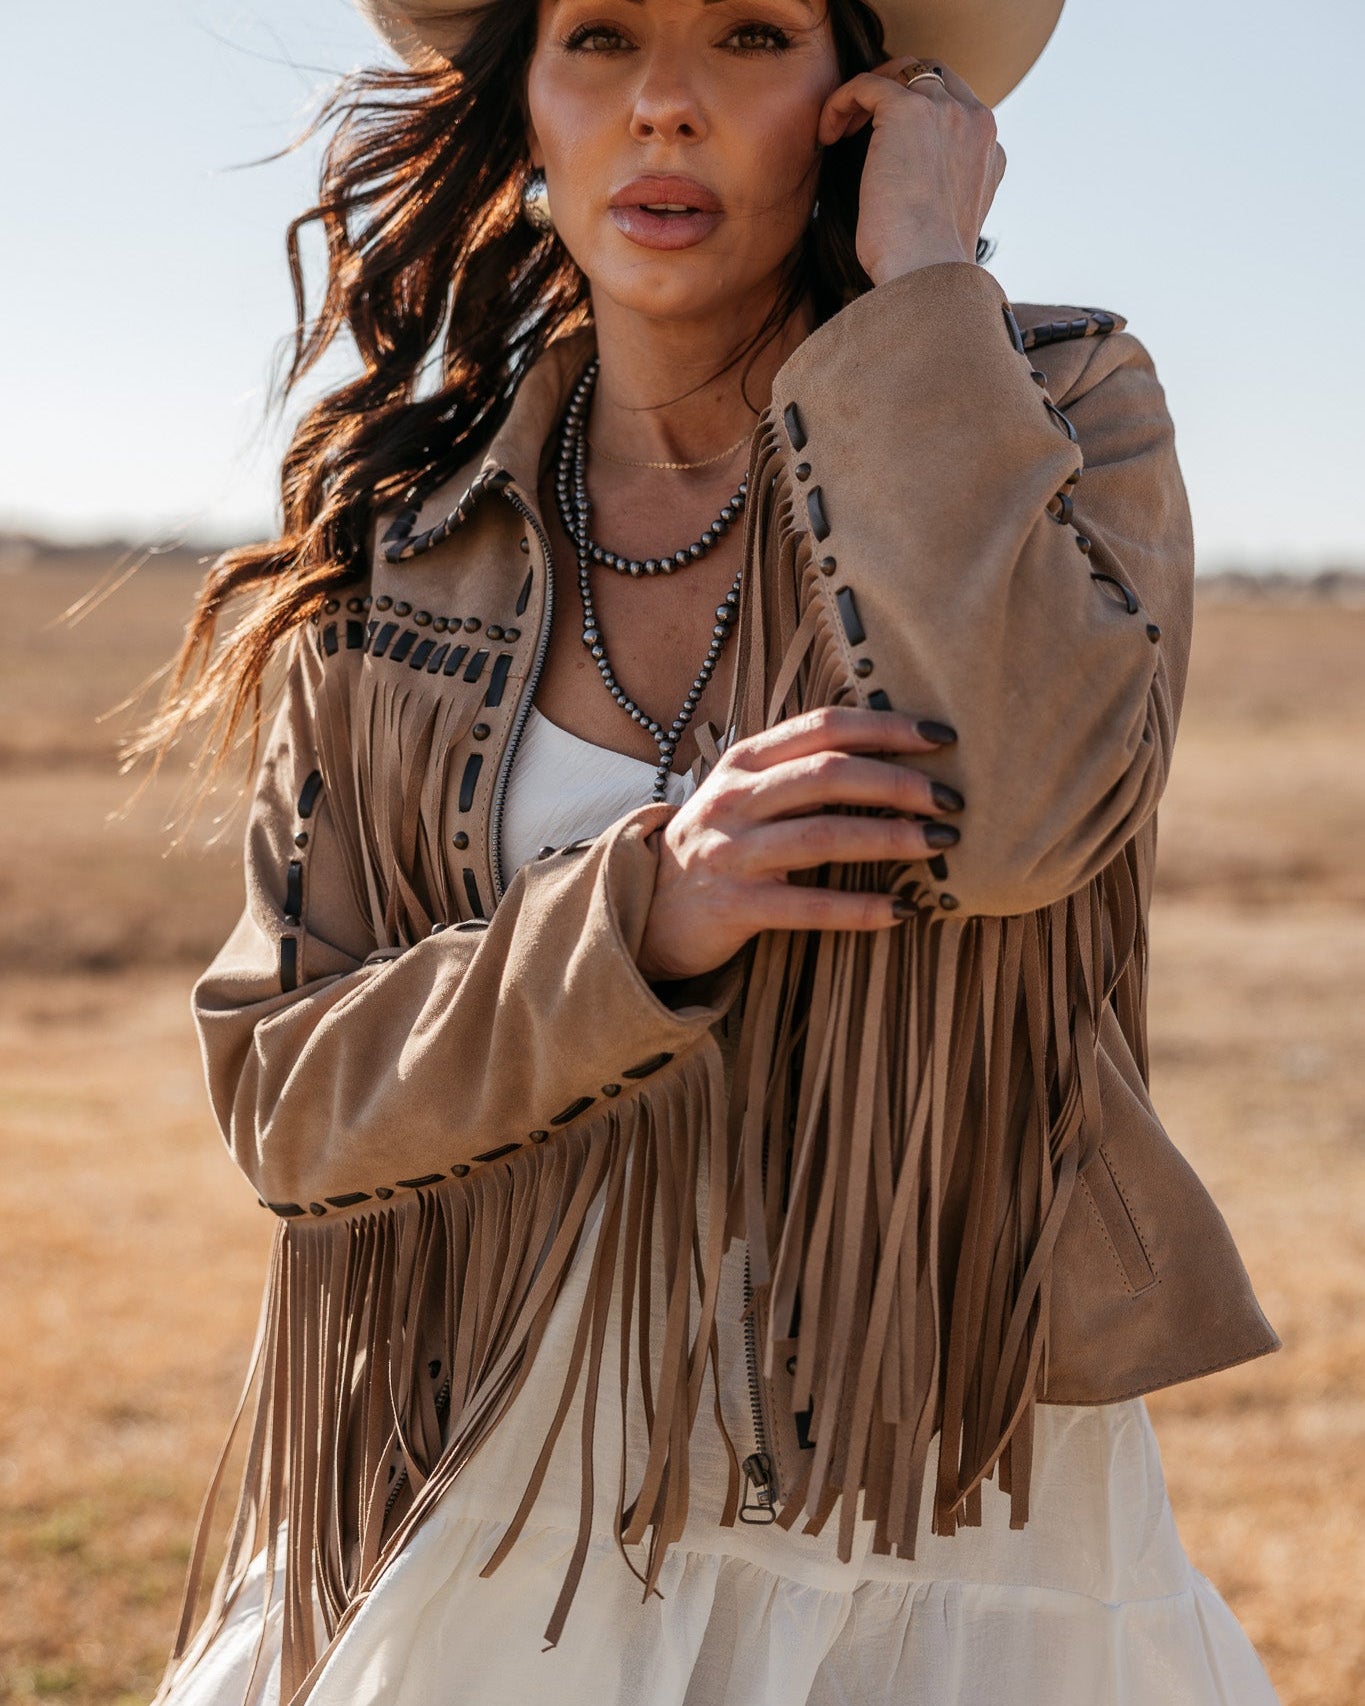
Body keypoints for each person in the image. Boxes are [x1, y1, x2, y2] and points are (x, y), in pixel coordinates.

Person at [144, 0, 1284, 1699]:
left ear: (862, 99)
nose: (664, 106)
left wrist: (918, 286)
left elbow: (1032, 818)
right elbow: (286, 1100)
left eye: (749, 33)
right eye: (599, 36)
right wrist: (641, 915)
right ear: (522, 110)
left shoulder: (1049, 405)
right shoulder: (407, 535)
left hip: (919, 1481)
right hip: (495, 1475)